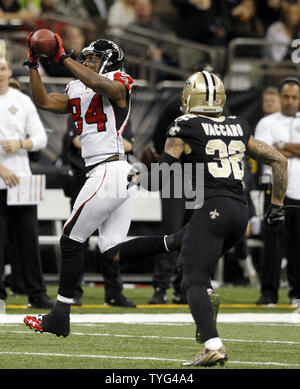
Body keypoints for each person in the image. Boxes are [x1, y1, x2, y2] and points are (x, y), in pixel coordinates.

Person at [132, 70, 287, 366]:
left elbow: (161, 178)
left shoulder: (183, 124)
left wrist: (134, 175)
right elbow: (278, 160)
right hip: (238, 212)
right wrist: (277, 206)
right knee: (189, 262)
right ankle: (207, 301)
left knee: (192, 276)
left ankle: (213, 344)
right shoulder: (238, 124)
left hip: (210, 209)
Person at [61, 115, 136, 307]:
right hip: (85, 177)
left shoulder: (120, 111)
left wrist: (103, 141)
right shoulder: (82, 109)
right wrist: (111, 142)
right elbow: (77, 141)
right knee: (77, 238)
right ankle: (73, 292)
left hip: (114, 179)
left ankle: (113, 292)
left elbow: (129, 146)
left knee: (112, 241)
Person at [0, 57, 54, 309]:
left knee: (28, 239)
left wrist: (21, 144)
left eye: (2, 68)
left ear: (9, 70)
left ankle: (37, 292)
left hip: (21, 180)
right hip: (1, 179)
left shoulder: (22, 101)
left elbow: (41, 137)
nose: (0, 73)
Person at [254, 77, 300, 306]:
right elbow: (264, 153)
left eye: (294, 97)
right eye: (286, 97)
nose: (290, 101)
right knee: (272, 246)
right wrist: (281, 150)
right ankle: (268, 293)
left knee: (298, 248)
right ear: (280, 98)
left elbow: (275, 151)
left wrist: (281, 146)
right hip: (276, 194)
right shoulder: (267, 122)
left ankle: (297, 294)